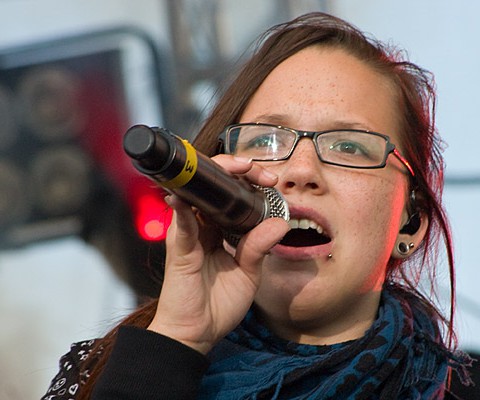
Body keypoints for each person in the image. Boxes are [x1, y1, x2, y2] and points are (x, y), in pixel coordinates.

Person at [42, 12, 473, 400]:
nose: (299, 170)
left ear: (411, 222)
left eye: (348, 145)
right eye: (266, 140)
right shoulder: (119, 375)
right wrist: (178, 340)